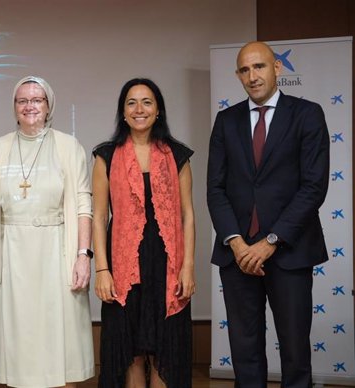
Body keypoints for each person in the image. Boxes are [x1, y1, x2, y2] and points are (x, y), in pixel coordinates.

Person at [207, 41, 329, 388]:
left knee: (294, 351)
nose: (252, 76)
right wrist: (237, 242)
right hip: (238, 255)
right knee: (244, 351)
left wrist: (271, 241)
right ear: (237, 75)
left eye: (259, 67)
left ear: (277, 68)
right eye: (244, 70)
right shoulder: (226, 121)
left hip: (289, 251)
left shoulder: (307, 114)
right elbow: (215, 189)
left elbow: (313, 187)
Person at [0, 75, 94, 388]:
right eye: (23, 100)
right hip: (11, 253)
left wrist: (83, 256)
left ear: (48, 105)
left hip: (56, 251)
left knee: (58, 339)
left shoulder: (69, 147)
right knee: (18, 340)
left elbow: (84, 206)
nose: (30, 106)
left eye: (37, 100)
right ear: (14, 107)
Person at [92, 78, 195, 388]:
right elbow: (98, 216)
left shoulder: (177, 155)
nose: (139, 109)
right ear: (123, 112)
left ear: (158, 110)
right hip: (124, 267)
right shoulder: (105, 156)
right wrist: (102, 269)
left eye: (147, 102)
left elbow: (188, 215)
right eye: (131, 103)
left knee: (165, 349)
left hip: (167, 266)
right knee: (131, 351)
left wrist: (188, 267)